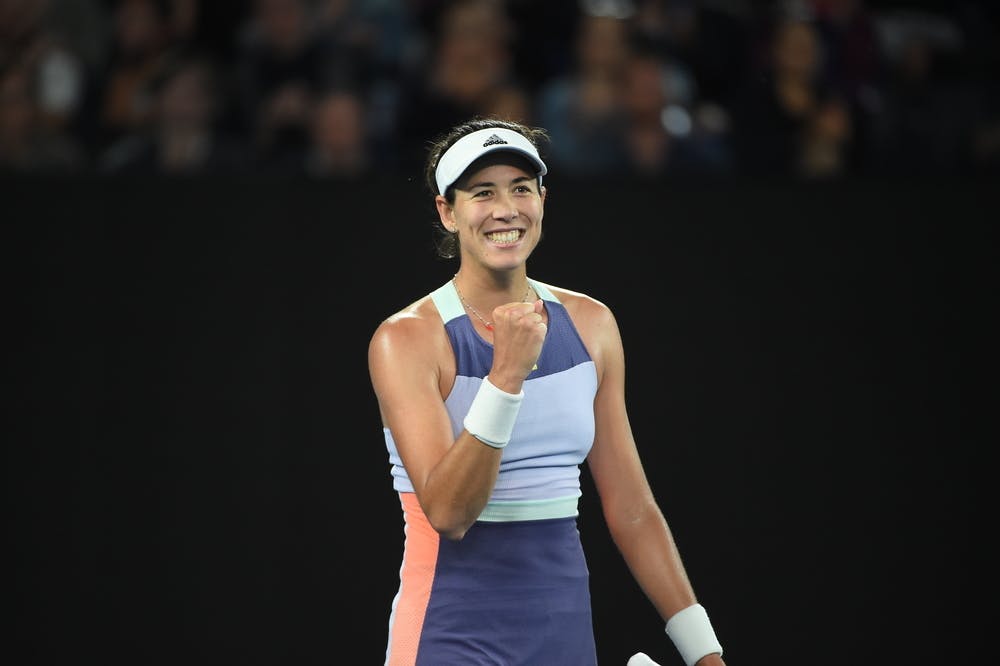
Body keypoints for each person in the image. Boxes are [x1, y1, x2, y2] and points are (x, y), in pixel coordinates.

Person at [367, 117, 727, 666]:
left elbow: (632, 507)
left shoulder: (592, 324)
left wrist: (704, 653)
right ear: (448, 211)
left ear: (542, 198)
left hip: (564, 642)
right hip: (447, 639)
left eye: (520, 188)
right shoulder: (407, 339)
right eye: (482, 192)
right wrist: (506, 376)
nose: (505, 209)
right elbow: (449, 513)